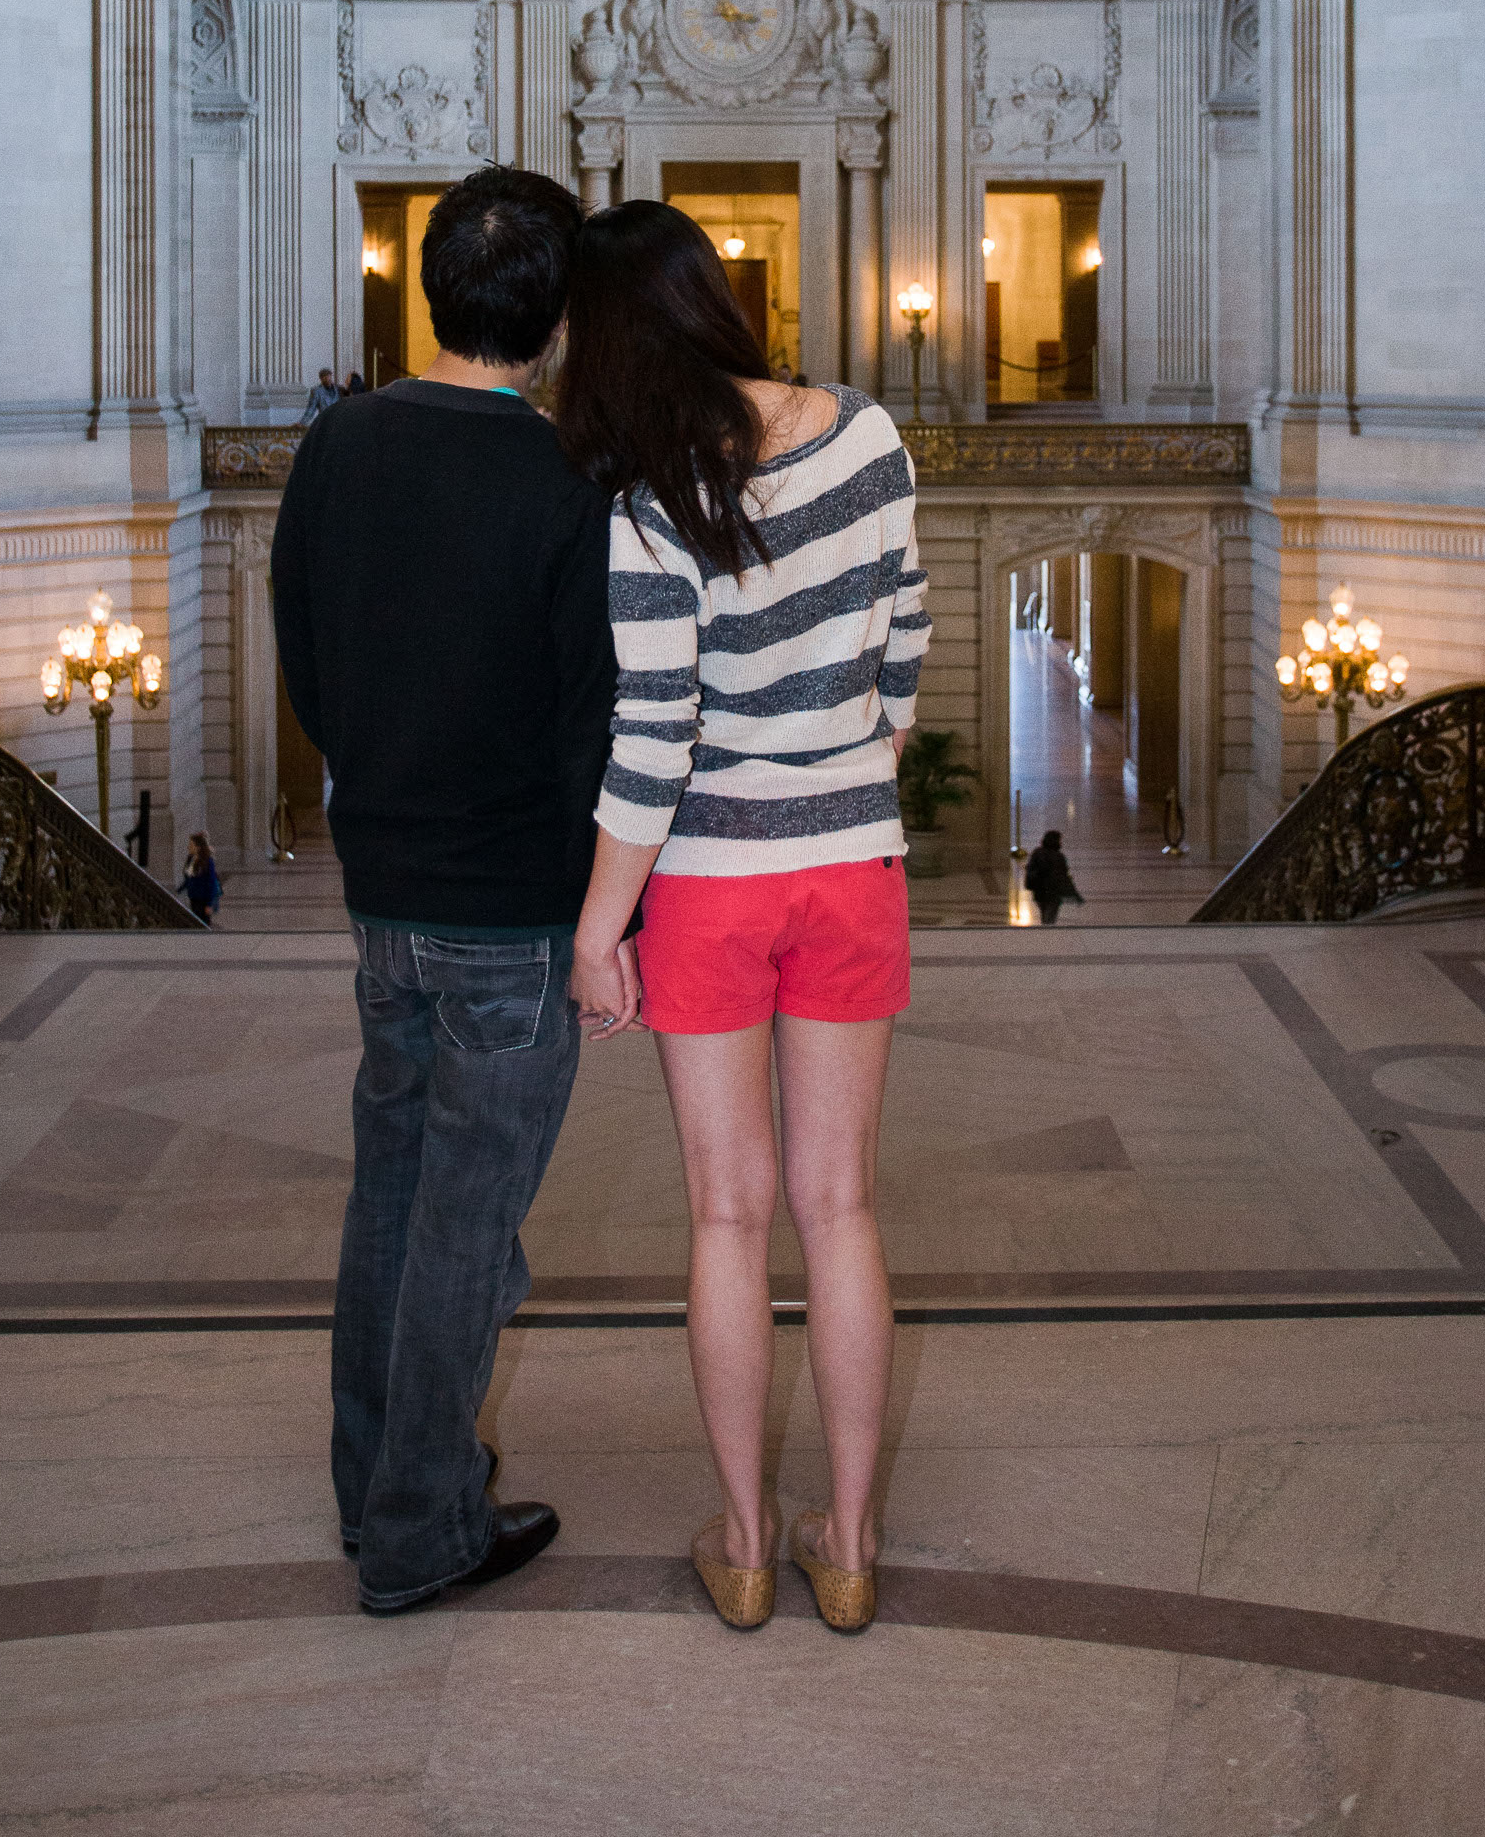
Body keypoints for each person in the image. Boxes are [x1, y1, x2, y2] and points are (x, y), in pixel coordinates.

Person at [560, 201, 930, 1637]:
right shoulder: (868, 436)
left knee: (727, 1209)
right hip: (851, 865)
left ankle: (744, 1535)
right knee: (839, 1204)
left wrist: (602, 927)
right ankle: (847, 1537)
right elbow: (903, 645)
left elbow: (653, 735)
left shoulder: (648, 498)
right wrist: (853, 764)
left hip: (708, 880)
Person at [271, 167, 618, 1617]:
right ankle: (420, 1523)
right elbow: (586, 723)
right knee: (470, 1220)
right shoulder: (562, 483)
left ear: (426, 289)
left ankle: (374, 1480)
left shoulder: (336, 442)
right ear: (552, 327)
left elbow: (302, 647)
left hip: (384, 895)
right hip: (511, 915)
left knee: (390, 1193)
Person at [1024, 827, 1084, 925]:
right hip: (1054, 892)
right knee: (1050, 916)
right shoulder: (1058, 857)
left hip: (1040, 891)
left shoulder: (1037, 853)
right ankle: (1048, 935)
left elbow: (1031, 869)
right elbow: (1063, 876)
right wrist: (1074, 894)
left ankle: (1045, 933)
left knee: (1045, 914)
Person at [180, 832, 222, 924]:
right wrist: (180, 889)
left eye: (191, 845)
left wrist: (209, 904)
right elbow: (188, 878)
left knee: (203, 923)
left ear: (198, 847)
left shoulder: (208, 861)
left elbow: (210, 883)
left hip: (203, 899)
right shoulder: (191, 859)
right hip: (193, 897)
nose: (188, 847)